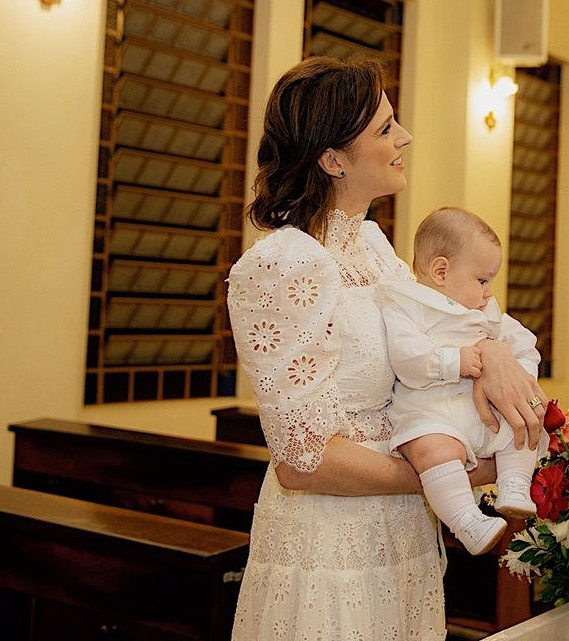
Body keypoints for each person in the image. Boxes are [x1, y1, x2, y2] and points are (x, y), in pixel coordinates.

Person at [226, 56, 547, 640]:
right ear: (332, 158)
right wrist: (467, 475)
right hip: (329, 551)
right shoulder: (280, 265)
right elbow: (304, 462)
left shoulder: (373, 247)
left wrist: (496, 356)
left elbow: (436, 332)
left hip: (401, 540)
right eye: (385, 128)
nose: (405, 138)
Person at [383, 206, 543, 555]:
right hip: (432, 412)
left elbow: (525, 345)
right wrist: (454, 361)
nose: (489, 291)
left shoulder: (487, 312)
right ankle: (466, 521)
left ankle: (515, 485)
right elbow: (406, 356)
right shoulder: (407, 305)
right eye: (483, 280)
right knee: (433, 451)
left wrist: (522, 379)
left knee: (524, 425)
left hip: (483, 413)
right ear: (441, 271)